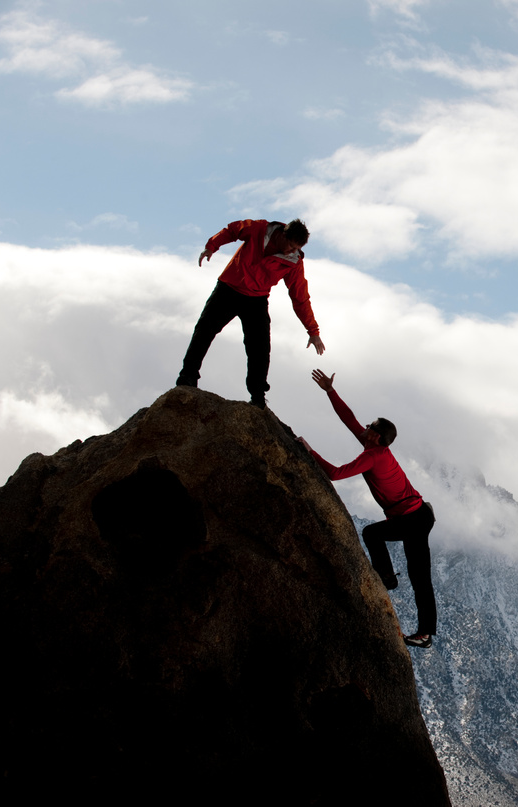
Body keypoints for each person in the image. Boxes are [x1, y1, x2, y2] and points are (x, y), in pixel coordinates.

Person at [299, 369, 437, 649]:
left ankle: (421, 630)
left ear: (376, 437)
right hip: (413, 514)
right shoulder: (373, 444)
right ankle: (388, 580)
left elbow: (336, 474)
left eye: (370, 426)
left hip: (414, 519)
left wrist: (309, 451)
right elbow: (348, 418)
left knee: (416, 573)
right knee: (378, 538)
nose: (364, 426)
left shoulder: (373, 456)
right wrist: (330, 391)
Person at [176, 218, 325, 408]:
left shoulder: (293, 262)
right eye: (289, 245)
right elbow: (232, 231)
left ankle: (258, 396)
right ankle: (187, 376)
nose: (291, 251)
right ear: (282, 234)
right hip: (228, 289)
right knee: (204, 331)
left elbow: (300, 297)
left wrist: (312, 331)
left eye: (296, 248)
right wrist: (211, 246)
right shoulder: (258, 229)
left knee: (260, 348)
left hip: (256, 300)